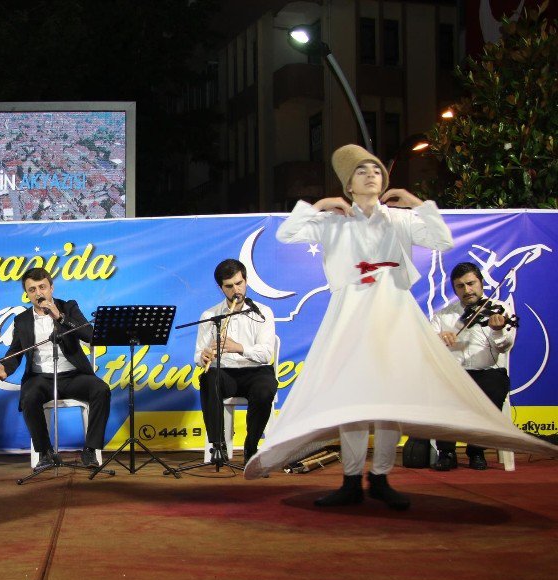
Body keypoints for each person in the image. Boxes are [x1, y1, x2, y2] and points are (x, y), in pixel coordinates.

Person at [245, 144, 551, 509]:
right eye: (362, 171)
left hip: (393, 310)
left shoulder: (398, 219)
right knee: (352, 399)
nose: (372, 174)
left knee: (388, 399)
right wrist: (323, 205)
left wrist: (415, 202)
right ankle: (349, 480)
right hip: (351, 315)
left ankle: (380, 478)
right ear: (349, 185)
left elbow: (441, 239)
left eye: (376, 169)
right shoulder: (335, 223)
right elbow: (287, 234)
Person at [0, 267, 110, 469]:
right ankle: (45, 453)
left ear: (51, 288)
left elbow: (89, 336)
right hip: (40, 378)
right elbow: (16, 351)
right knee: (29, 397)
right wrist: (5, 368)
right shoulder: (22, 320)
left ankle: (90, 451)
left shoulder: (69, 307)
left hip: (73, 375)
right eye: (32, 289)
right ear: (27, 294)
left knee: (101, 390)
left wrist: (60, 317)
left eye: (42, 287)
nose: (38, 293)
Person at [417, 262, 516, 471]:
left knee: (495, 386)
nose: (467, 290)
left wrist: (497, 331)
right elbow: (424, 343)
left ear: (480, 283)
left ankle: (476, 451)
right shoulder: (444, 315)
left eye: (471, 284)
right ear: (454, 289)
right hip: (455, 374)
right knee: (437, 387)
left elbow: (505, 347)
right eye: (460, 286)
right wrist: (438, 337)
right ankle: (447, 451)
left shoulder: (498, 310)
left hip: (487, 373)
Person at [194, 259, 277, 465]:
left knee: (266, 388)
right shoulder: (210, 315)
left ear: (246, 281)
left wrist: (238, 347)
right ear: (221, 288)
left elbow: (266, 354)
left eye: (239, 283)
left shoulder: (263, 312)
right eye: (229, 286)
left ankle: (251, 445)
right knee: (207, 378)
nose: (236, 290)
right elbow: (197, 355)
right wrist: (203, 357)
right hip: (226, 373)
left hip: (256, 372)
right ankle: (218, 445)